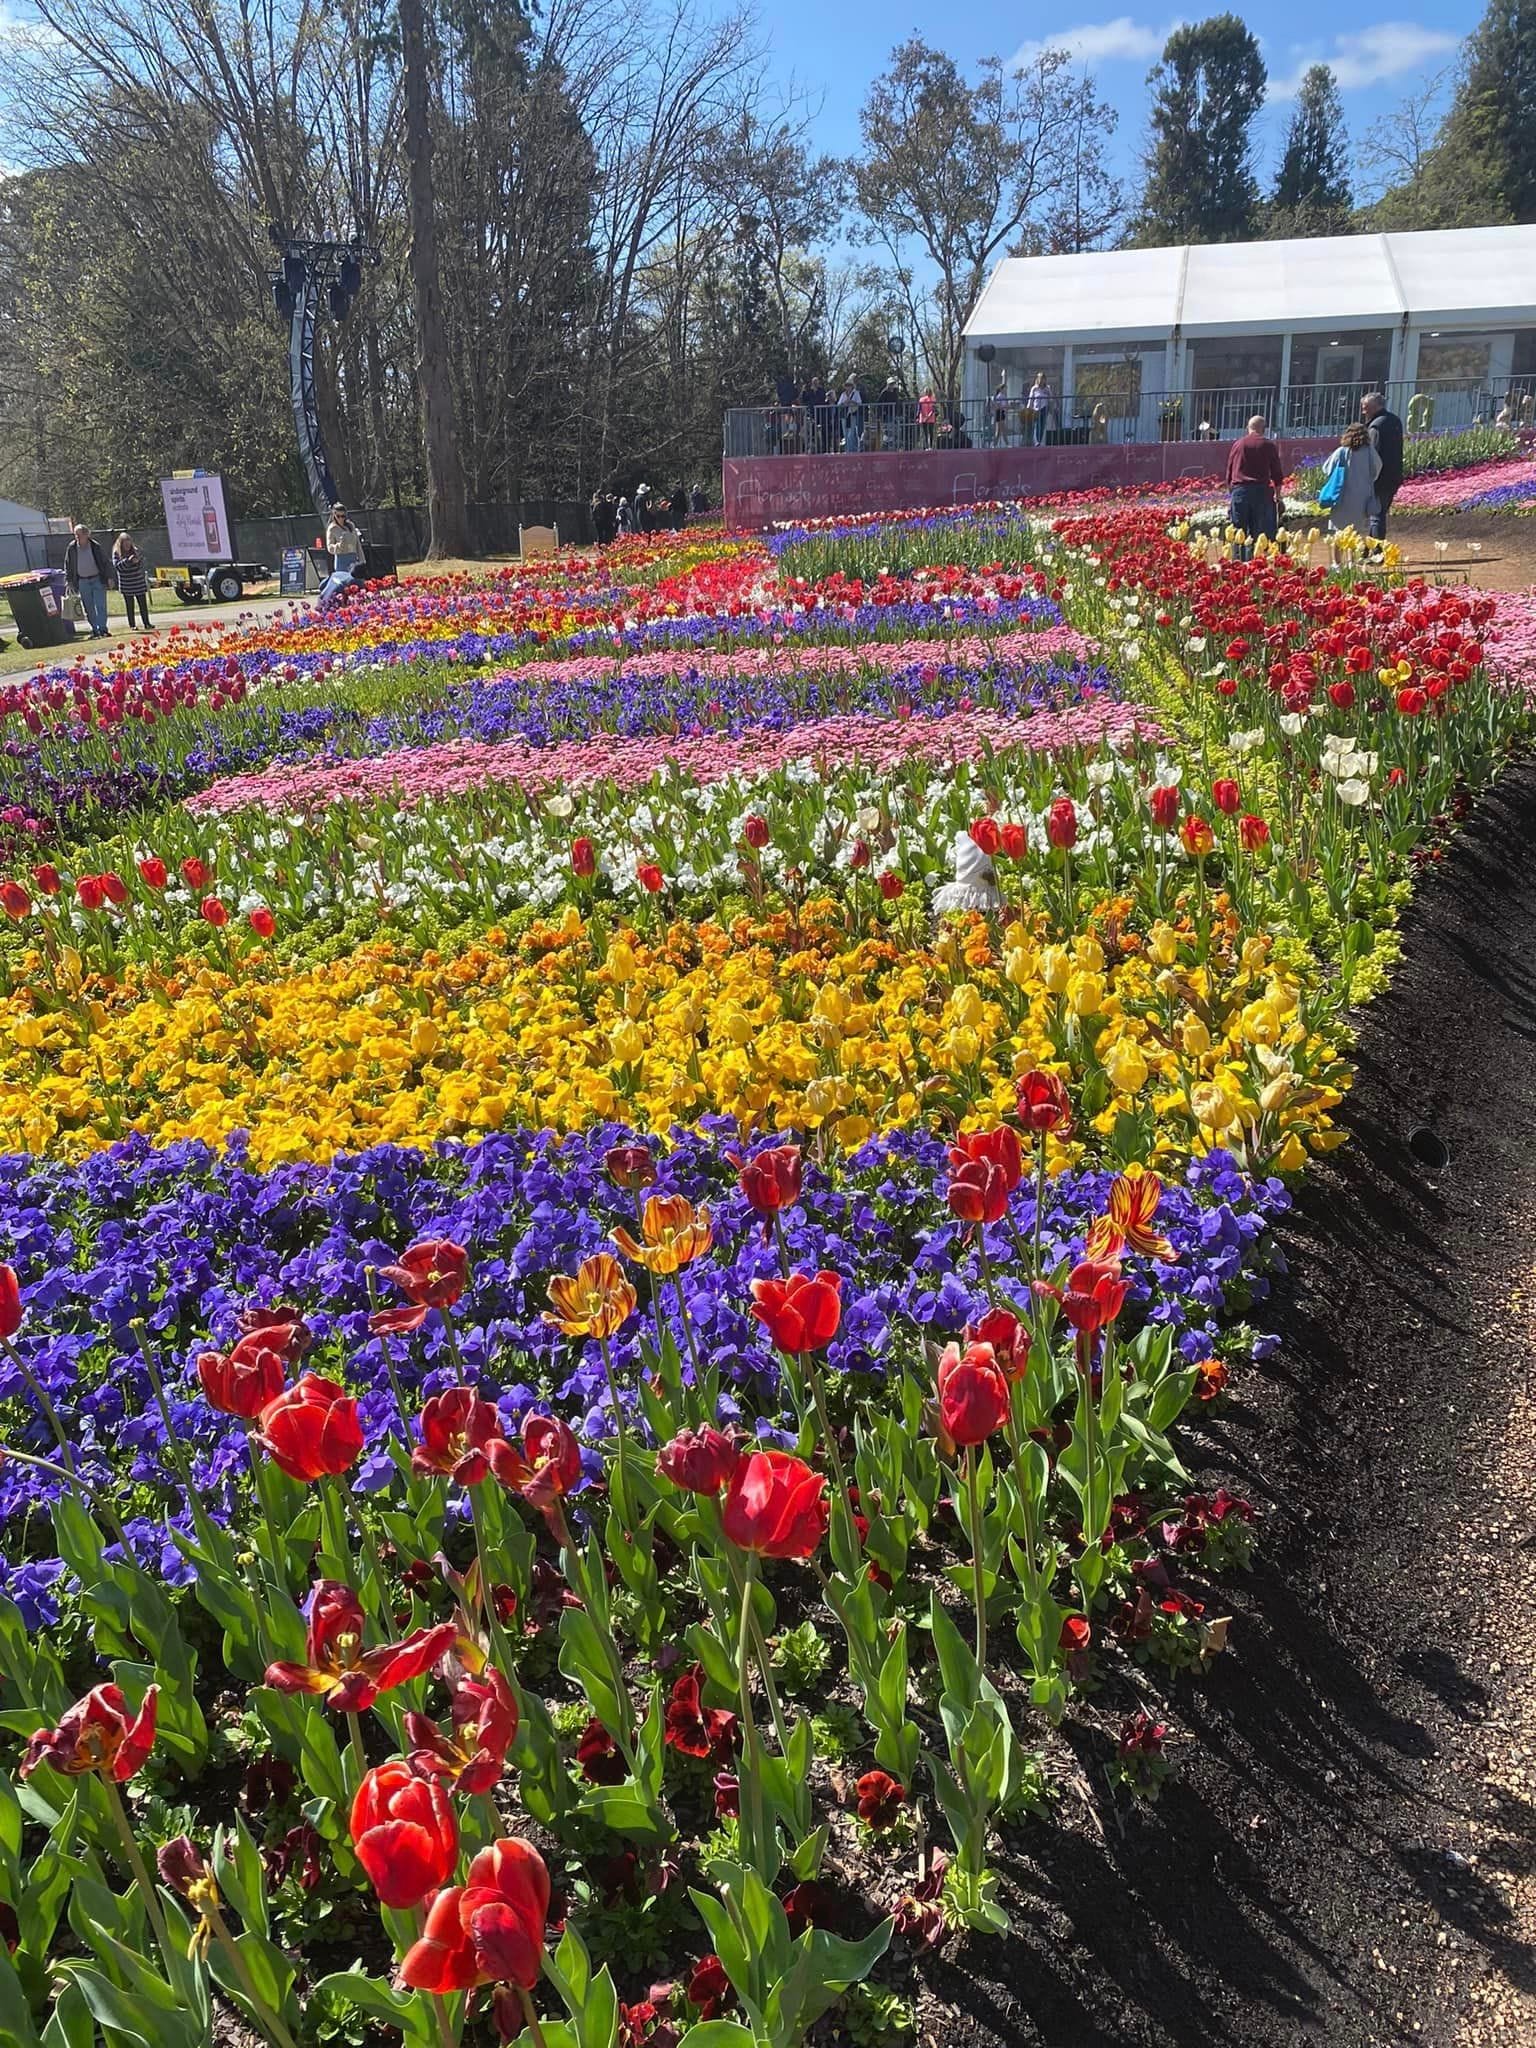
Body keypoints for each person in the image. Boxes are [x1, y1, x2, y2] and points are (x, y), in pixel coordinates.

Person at [1224, 415, 1284, 552]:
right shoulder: (1268, 445)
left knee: (1239, 534)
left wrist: (1231, 495)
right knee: (1261, 535)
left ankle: (1238, 566)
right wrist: (1278, 496)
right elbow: (1277, 474)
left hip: (1240, 492)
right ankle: (1258, 567)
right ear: (1264, 429)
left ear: (1248, 428)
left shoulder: (1238, 444)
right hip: (1261, 493)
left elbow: (1229, 473)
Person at [1319, 421, 1381, 538]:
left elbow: (1327, 469)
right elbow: (1377, 469)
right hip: (1362, 497)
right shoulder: (1369, 451)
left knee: (1339, 533)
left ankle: (1336, 557)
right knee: (1356, 534)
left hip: (1341, 496)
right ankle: (1351, 556)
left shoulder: (1341, 452)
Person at [1361, 392, 1404, 540]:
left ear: (1375, 407)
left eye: (1366, 408)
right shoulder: (1395, 421)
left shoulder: (1376, 426)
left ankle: (1377, 551)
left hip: (1380, 478)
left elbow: (1373, 455)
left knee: (1376, 516)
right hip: (1394, 475)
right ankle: (1369, 548)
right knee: (1379, 514)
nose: (1363, 411)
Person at [65, 523, 113, 637]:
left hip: (97, 579)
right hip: (82, 581)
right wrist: (69, 581)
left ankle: (103, 629)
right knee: (88, 607)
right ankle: (95, 630)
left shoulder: (95, 546)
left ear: (87, 534)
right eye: (75, 535)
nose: (77, 537)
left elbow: (105, 562)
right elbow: (67, 565)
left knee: (100, 605)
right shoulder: (71, 548)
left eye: (79, 534)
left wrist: (110, 577)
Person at [113, 531, 152, 630]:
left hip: (138, 582)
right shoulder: (116, 553)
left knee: (143, 605)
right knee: (130, 606)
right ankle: (132, 625)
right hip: (127, 585)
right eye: (125, 543)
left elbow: (142, 564)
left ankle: (147, 623)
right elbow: (118, 567)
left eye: (128, 542)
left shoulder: (136, 551)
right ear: (121, 544)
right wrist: (128, 561)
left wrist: (137, 562)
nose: (127, 545)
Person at [325, 504, 362, 574]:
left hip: (353, 558)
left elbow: (358, 545)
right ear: (334, 515)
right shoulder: (332, 528)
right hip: (341, 560)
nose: (341, 519)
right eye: (338, 516)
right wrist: (340, 545)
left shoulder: (351, 525)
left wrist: (362, 560)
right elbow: (330, 548)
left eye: (343, 516)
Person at [1026, 372, 1053, 447]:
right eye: (1040, 378)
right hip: (1036, 409)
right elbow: (1031, 399)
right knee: (1037, 425)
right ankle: (1036, 441)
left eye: (1043, 379)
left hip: (1045, 408)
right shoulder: (1034, 388)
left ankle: (1039, 441)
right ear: (1038, 379)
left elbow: (1051, 398)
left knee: (1042, 425)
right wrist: (1028, 408)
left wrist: (1052, 406)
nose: (1042, 380)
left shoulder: (1047, 388)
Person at [838, 378, 863, 453]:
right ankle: (848, 450)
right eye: (846, 385)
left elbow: (859, 403)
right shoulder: (843, 394)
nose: (848, 387)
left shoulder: (856, 393)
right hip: (844, 415)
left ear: (852, 386)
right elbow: (839, 404)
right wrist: (845, 403)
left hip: (852, 414)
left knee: (851, 433)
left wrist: (851, 402)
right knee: (846, 434)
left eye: (849, 385)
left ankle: (853, 450)